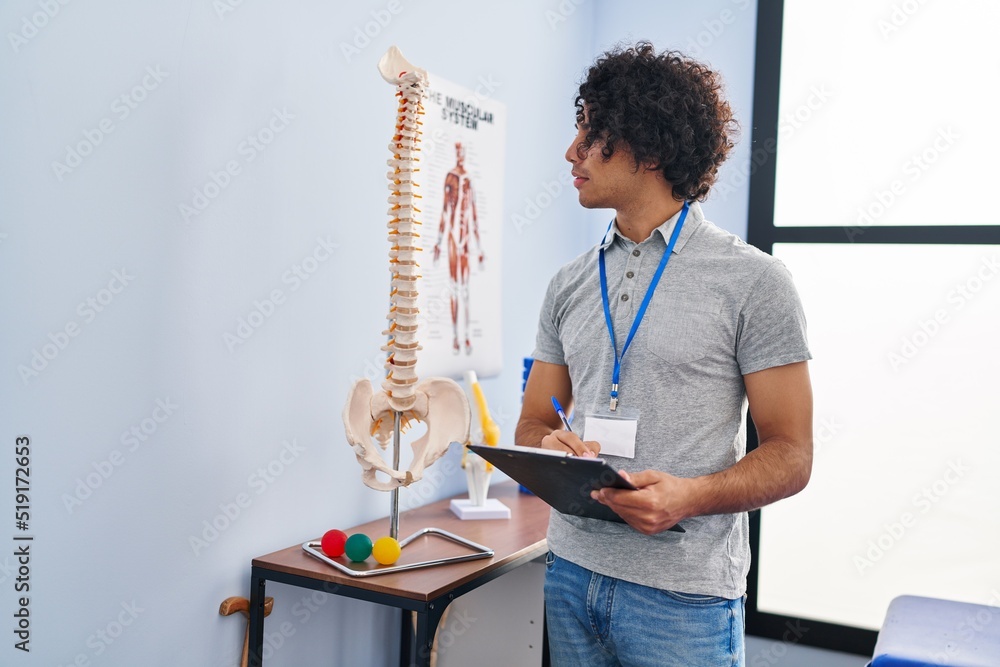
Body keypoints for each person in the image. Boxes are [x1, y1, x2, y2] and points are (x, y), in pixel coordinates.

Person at [514, 42, 813, 666]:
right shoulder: (568, 283)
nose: (571, 152)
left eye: (591, 132)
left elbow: (792, 455)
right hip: (570, 573)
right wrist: (551, 449)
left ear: (647, 148)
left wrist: (688, 496)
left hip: (684, 598)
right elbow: (532, 424)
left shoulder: (754, 282)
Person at [433, 141, 485, 355]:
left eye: (462, 151)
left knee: (465, 291)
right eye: (457, 152)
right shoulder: (451, 177)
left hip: (466, 240)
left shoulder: (469, 180)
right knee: (455, 289)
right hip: (454, 238)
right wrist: (438, 241)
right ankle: (455, 336)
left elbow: (473, 213)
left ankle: (466, 337)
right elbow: (446, 210)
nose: (460, 155)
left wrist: (479, 248)